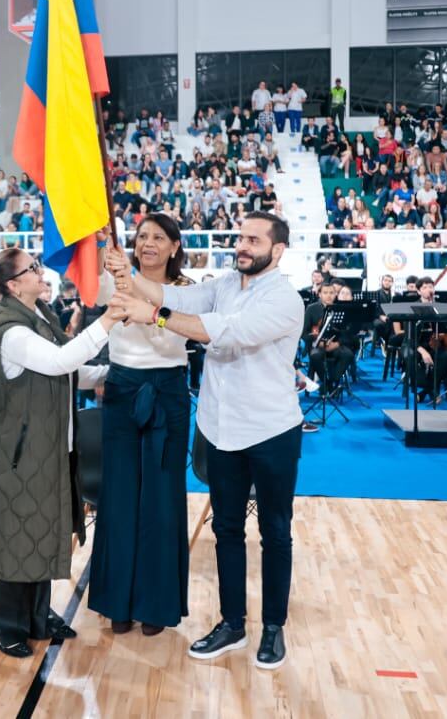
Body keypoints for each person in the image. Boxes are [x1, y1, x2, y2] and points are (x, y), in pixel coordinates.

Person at [107, 211, 303, 670]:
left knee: (275, 532)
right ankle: (232, 623)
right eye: (241, 237)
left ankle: (272, 627)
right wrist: (128, 273)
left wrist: (156, 317)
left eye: (253, 240)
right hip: (220, 427)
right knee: (226, 529)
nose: (242, 246)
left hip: (271, 430)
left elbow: (225, 332)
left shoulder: (284, 299)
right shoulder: (225, 285)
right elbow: (176, 295)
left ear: (277, 250)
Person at [0, 248, 122, 658]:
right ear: (13, 284)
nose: (40, 271)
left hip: (46, 447)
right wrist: (107, 321)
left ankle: (37, 616)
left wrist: (110, 373)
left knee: (41, 535)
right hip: (18, 454)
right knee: (14, 542)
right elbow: (58, 361)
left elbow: (68, 370)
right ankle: (6, 626)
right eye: (32, 268)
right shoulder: (12, 332)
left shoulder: (40, 317)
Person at [90, 214, 192, 637]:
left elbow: (165, 339)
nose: (148, 243)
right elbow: (96, 301)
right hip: (121, 392)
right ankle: (117, 601)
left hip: (167, 393)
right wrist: (107, 257)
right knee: (119, 495)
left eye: (158, 237)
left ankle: (156, 604)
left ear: (174, 246)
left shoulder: (186, 290)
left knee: (162, 499)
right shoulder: (113, 282)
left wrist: (136, 292)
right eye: (142, 236)